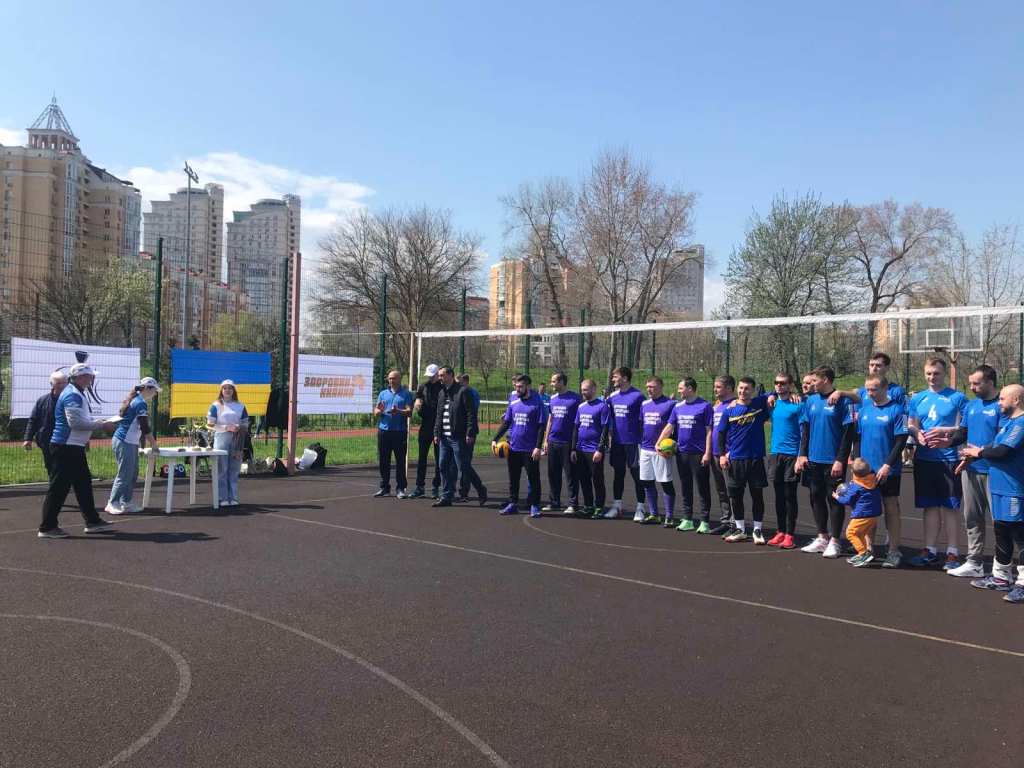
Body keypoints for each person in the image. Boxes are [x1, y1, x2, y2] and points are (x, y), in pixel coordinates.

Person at [934, 365, 1002, 578]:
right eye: (971, 383)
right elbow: (962, 433)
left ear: (990, 382)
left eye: (976, 383)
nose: (971, 387)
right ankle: (974, 562)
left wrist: (979, 452)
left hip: (997, 471)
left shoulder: (1002, 405)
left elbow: (1004, 440)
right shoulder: (971, 406)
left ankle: (1002, 565)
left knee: (1001, 521)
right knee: (972, 517)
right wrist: (947, 442)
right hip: (971, 469)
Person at [38, 363, 118, 538]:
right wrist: (102, 424)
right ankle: (47, 527)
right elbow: (75, 423)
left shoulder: (76, 393)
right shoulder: (72, 395)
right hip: (65, 447)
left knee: (83, 484)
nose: (92, 379)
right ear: (81, 377)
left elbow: (80, 421)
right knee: (59, 488)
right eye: (90, 376)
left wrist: (99, 423)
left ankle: (93, 521)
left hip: (72, 447)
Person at [962, 384, 1024, 603]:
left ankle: (1023, 583)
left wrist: (979, 452)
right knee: (1001, 530)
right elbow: (993, 446)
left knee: (1019, 535)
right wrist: (972, 455)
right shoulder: (1008, 423)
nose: (999, 403)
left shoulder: (1021, 423)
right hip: (999, 488)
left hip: (1014, 489)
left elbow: (1002, 451)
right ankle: (1001, 577)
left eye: (1003, 399)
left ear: (1016, 400)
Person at [905, 357, 967, 569]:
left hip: (949, 459)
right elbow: (911, 423)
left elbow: (966, 427)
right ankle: (930, 550)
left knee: (950, 507)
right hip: (924, 459)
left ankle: (952, 553)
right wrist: (917, 434)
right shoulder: (918, 398)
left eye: (936, 373)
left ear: (944, 373)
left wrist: (945, 431)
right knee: (930, 506)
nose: (932, 377)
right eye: (929, 373)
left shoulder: (957, 398)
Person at [796, 366, 856, 558]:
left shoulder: (844, 402)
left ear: (826, 380)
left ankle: (835, 541)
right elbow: (805, 430)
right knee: (815, 497)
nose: (811, 384)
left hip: (833, 461)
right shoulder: (811, 400)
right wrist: (802, 454)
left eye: (815, 380)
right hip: (813, 459)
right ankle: (822, 537)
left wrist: (840, 460)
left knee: (835, 499)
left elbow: (848, 434)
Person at [854, 374, 909, 568]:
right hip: (866, 471)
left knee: (891, 508)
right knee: (868, 510)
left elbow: (901, 440)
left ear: (885, 388)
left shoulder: (898, 410)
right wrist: (857, 461)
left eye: (874, 389)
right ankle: (869, 550)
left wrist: (887, 465)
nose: (870, 393)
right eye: (868, 389)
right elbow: (857, 438)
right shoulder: (864, 410)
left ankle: (893, 551)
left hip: (888, 470)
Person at [718, 377, 771, 543]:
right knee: (736, 496)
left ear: (753, 390)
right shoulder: (729, 410)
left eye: (747, 388)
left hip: (755, 459)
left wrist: (771, 396)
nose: (743, 391)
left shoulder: (759, 404)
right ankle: (740, 529)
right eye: (740, 388)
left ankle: (757, 530)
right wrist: (722, 455)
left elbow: (775, 391)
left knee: (757, 496)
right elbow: (721, 434)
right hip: (736, 459)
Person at [658, 378, 713, 533]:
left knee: (703, 488)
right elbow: (670, 426)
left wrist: (707, 453)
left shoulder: (705, 406)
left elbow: (709, 431)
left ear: (690, 388)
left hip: (699, 453)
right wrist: (658, 442)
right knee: (685, 486)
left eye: (681, 388)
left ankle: (705, 521)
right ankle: (688, 519)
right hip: (682, 453)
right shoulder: (678, 407)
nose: (679, 391)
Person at [493, 375, 547, 517]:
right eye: (516, 386)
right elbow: (507, 422)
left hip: (530, 449)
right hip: (513, 447)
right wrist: (495, 439)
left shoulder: (537, 403)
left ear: (528, 386)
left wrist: (538, 447)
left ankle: (535, 505)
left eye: (520, 387)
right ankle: (513, 503)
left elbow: (541, 426)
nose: (517, 389)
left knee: (533, 479)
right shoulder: (513, 400)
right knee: (513, 478)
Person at [106, 377, 161, 515]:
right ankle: (112, 503)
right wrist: (154, 444)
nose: (155, 393)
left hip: (130, 442)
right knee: (124, 474)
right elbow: (144, 427)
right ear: (147, 388)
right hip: (124, 441)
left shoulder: (138, 401)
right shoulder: (140, 403)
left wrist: (142, 444)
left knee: (132, 474)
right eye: (154, 390)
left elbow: (141, 427)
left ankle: (126, 502)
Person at [434, 367, 487, 507]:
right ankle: (447, 495)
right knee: (443, 465)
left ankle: (481, 489)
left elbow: (471, 414)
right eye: (439, 375)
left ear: (450, 375)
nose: (440, 378)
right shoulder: (442, 393)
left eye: (442, 375)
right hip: (444, 438)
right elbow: (439, 415)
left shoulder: (463, 391)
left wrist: (470, 432)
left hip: (458, 437)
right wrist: (436, 433)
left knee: (463, 467)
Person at [766, 372, 802, 549]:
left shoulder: (797, 405)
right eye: (776, 383)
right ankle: (780, 531)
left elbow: (804, 432)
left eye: (783, 383)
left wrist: (801, 456)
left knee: (790, 496)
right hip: (775, 454)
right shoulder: (772, 404)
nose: (779, 385)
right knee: (778, 496)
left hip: (792, 455)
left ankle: (790, 534)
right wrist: (770, 395)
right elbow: (757, 398)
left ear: (790, 385)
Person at [605, 367, 646, 520]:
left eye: (615, 377)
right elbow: (608, 417)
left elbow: (644, 419)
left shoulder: (638, 396)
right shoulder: (612, 397)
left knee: (637, 475)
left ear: (625, 378)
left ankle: (640, 508)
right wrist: (609, 436)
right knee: (618, 474)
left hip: (633, 443)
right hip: (617, 443)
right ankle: (617, 506)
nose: (613, 379)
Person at [638, 377, 677, 526]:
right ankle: (654, 514)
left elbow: (674, 426)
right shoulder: (644, 404)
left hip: (662, 450)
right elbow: (642, 424)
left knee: (665, 482)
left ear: (661, 387)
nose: (649, 389)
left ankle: (669, 516)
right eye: (647, 387)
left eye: (652, 387)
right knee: (647, 482)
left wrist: (672, 444)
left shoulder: (671, 404)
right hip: (645, 449)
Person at [542, 373, 582, 513]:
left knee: (571, 475)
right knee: (553, 474)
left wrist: (576, 443)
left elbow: (579, 421)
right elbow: (550, 420)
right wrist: (546, 439)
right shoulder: (552, 399)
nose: (551, 384)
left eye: (553, 381)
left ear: (561, 382)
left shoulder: (576, 398)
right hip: (553, 441)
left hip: (568, 442)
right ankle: (554, 502)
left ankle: (573, 504)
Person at [572, 379, 611, 517]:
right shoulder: (581, 407)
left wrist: (600, 449)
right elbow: (576, 428)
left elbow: (605, 429)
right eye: (582, 390)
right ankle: (588, 506)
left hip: (594, 450)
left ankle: (599, 507)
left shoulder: (602, 406)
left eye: (586, 389)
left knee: (597, 479)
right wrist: (573, 449)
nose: (583, 392)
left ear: (594, 389)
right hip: (581, 450)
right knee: (584, 479)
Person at [207, 380, 249, 507]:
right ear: (221, 390)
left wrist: (239, 427)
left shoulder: (240, 406)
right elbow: (209, 424)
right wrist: (225, 427)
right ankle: (222, 497)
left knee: (234, 469)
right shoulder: (215, 405)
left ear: (233, 390)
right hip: (221, 438)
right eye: (225, 388)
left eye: (230, 388)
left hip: (237, 439)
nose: (227, 390)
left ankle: (233, 497)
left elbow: (245, 423)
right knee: (222, 469)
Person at [373, 369, 414, 498]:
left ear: (399, 379)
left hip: (399, 432)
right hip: (384, 431)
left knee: (400, 461)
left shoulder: (406, 394)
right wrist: (378, 411)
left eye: (394, 378)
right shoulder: (383, 394)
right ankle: (384, 487)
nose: (391, 380)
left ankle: (400, 488)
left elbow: (409, 412)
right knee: (383, 460)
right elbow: (376, 411)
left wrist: (398, 411)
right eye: (390, 378)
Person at [836, 458, 883, 567]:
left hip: (861, 515)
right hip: (873, 515)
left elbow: (847, 500)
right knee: (861, 534)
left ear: (853, 472)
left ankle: (863, 553)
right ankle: (865, 552)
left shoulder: (856, 486)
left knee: (851, 533)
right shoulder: (873, 479)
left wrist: (837, 497)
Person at [23, 370, 68, 480]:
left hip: (66, 440)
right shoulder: (42, 400)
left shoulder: (71, 400)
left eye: (64, 383)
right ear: (52, 384)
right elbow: (33, 420)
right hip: (46, 440)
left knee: (65, 467)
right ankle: (54, 485)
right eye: (59, 383)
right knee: (50, 466)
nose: (62, 386)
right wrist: (28, 438)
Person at [707, 375, 737, 536]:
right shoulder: (717, 406)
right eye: (715, 386)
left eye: (718, 387)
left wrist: (729, 452)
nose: (715, 389)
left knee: (731, 490)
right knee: (721, 490)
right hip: (715, 454)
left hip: (728, 455)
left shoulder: (736, 405)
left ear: (729, 388)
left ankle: (735, 523)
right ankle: (725, 521)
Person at [828, 351, 907, 408]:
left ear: (887, 368)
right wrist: (839, 392)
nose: (874, 368)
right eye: (871, 365)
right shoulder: (863, 391)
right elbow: (854, 395)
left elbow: (905, 417)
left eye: (878, 365)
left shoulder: (897, 391)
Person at [410, 364, 444, 499]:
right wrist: (417, 402)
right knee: (422, 458)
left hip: (438, 426)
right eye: (428, 376)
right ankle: (420, 487)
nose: (430, 378)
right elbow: (418, 397)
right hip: (425, 426)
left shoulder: (443, 387)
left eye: (432, 376)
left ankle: (436, 487)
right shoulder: (423, 386)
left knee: (439, 459)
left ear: (437, 374)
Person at [456, 373, 482, 501]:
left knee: (465, 463)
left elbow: (472, 411)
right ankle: (454, 490)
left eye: (459, 383)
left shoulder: (472, 393)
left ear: (465, 381)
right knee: (457, 463)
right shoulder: (457, 392)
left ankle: (464, 491)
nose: (457, 385)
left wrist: (469, 432)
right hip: (458, 432)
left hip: (468, 432)